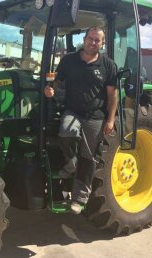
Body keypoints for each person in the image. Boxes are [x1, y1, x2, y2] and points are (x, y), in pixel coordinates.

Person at [44, 27, 118, 214]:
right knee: (66, 132)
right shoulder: (69, 60)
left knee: (89, 157)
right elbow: (57, 81)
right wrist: (50, 89)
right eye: (90, 39)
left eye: (97, 40)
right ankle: (71, 163)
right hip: (73, 111)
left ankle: (79, 198)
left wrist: (110, 120)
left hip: (96, 116)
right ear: (84, 39)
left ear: (102, 43)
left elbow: (112, 95)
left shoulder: (108, 65)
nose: (93, 43)